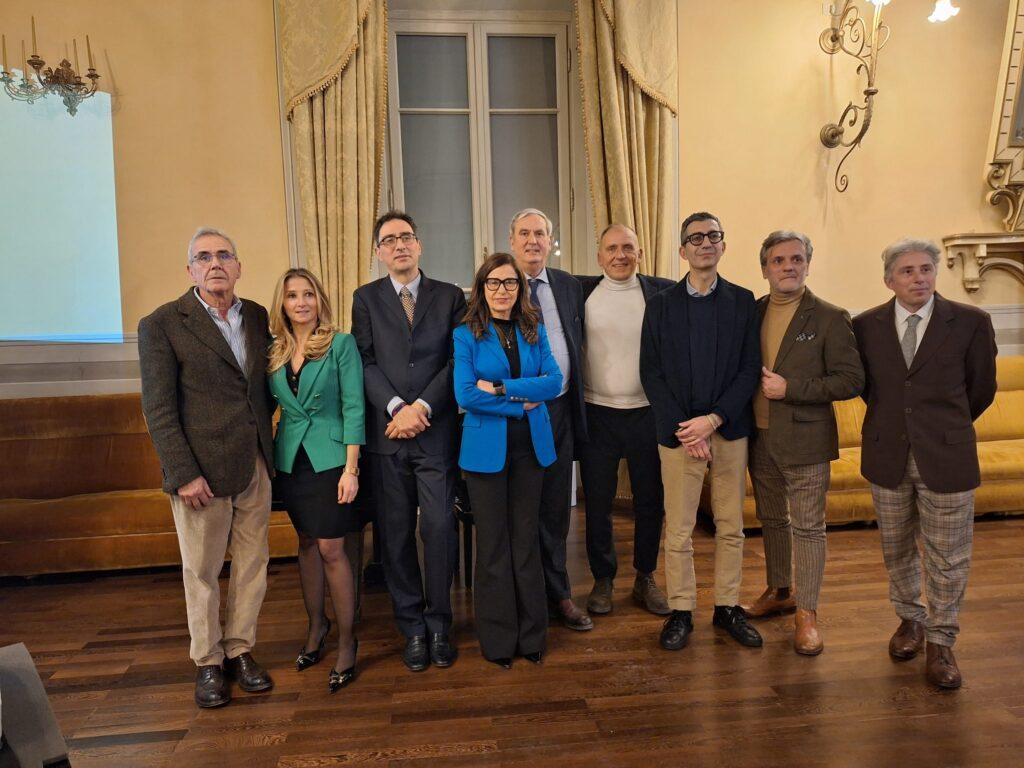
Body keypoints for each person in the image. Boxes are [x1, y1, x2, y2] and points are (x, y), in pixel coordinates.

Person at [138, 227, 275, 708]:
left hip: (255, 463)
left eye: (223, 255)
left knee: (253, 565)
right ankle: (208, 662)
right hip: (200, 473)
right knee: (201, 571)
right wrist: (182, 473)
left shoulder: (256, 315)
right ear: (190, 270)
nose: (214, 263)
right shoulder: (161, 324)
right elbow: (158, 408)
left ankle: (239, 650)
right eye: (203, 257)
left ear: (238, 267)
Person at [854, 238, 997, 689]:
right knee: (895, 547)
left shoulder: (971, 322)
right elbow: (869, 388)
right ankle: (910, 620)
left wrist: (942, 427)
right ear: (889, 281)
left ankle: (941, 641)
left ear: (936, 273)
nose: (919, 278)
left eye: (925, 269)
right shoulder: (865, 326)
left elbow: (981, 389)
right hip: (887, 455)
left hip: (948, 455)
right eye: (908, 271)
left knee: (949, 556)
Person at [639, 211, 763, 651]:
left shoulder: (744, 301)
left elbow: (749, 369)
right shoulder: (660, 305)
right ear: (682, 250)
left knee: (730, 526)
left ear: (723, 245)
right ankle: (681, 609)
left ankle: (727, 606)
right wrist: (688, 430)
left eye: (713, 235)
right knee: (679, 528)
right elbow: (651, 373)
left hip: (729, 430)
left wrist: (713, 420)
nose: (705, 243)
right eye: (695, 238)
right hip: (679, 435)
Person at [351, 211, 468, 672]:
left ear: (419, 245)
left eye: (406, 237)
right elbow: (363, 361)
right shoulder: (365, 298)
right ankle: (413, 627)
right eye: (389, 240)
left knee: (438, 527)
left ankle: (440, 624)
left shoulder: (450, 296)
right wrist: (398, 407)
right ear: (379, 252)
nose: (399, 245)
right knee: (395, 535)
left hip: (435, 433)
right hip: (388, 436)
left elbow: (457, 359)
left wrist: (422, 408)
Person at [741, 230, 863, 655]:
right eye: (778, 260)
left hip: (807, 440)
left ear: (807, 264)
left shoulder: (830, 317)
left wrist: (790, 388)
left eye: (796, 259)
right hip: (759, 437)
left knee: (809, 528)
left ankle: (807, 612)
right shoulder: (752, 312)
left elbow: (851, 380)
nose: (788, 266)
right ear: (765, 269)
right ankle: (780, 590)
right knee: (772, 519)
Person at [453, 252, 563, 668]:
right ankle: (498, 640)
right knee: (494, 546)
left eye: (510, 282)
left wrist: (500, 388)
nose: (502, 290)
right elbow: (466, 394)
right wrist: (520, 402)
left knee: (526, 541)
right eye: (494, 283)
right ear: (482, 288)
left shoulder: (535, 329)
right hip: (485, 454)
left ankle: (532, 636)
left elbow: (554, 382)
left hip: (531, 450)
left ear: (521, 288)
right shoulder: (465, 335)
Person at [267, 268, 364, 692]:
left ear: (319, 300)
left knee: (331, 548)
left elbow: (354, 406)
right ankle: (315, 626)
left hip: (331, 459)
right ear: (283, 304)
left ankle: (347, 641)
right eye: (292, 295)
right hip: (291, 461)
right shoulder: (273, 351)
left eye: (308, 294)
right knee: (306, 542)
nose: (301, 302)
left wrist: (351, 469)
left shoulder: (341, 344)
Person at [577, 224, 673, 616]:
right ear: (599, 256)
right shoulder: (581, 294)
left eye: (628, 248)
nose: (620, 255)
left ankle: (645, 577)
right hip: (596, 414)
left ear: (640, 253)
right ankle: (603, 579)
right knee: (597, 503)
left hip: (648, 414)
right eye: (612, 248)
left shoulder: (663, 293)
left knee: (651, 501)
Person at [508, 208, 592, 631]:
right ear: (511, 241)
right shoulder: (499, 285)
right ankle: (524, 599)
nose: (533, 241)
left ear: (551, 240)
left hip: (559, 412)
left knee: (556, 508)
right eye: (524, 233)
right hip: (517, 415)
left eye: (540, 233)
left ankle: (559, 593)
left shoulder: (568, 285)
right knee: (522, 510)